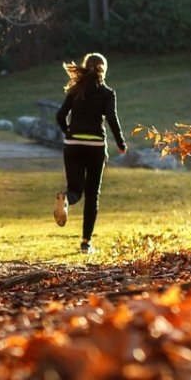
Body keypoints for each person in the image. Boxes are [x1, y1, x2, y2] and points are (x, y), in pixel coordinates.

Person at [52, 53, 127, 253]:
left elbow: (60, 116)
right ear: (104, 70)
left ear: (85, 67)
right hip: (95, 146)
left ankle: (65, 199)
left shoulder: (76, 90)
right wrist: (120, 143)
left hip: (73, 144)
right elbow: (111, 117)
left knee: (75, 190)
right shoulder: (107, 93)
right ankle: (86, 243)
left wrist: (69, 133)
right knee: (92, 194)